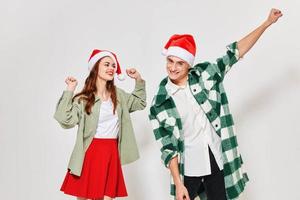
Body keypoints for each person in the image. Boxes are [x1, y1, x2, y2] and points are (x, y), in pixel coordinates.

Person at [149, 8, 282, 200]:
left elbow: (235, 53)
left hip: (216, 158)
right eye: (170, 61)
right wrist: (179, 183)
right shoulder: (160, 103)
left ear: (189, 65)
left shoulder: (206, 75)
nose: (173, 67)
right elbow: (168, 149)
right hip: (189, 167)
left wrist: (267, 23)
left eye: (179, 63)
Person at [54, 49, 146, 200]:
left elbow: (140, 103)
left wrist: (138, 80)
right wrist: (70, 90)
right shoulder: (84, 99)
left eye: (113, 65)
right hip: (90, 153)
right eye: (107, 64)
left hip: (111, 153)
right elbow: (64, 118)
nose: (111, 68)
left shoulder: (119, 95)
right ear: (96, 67)